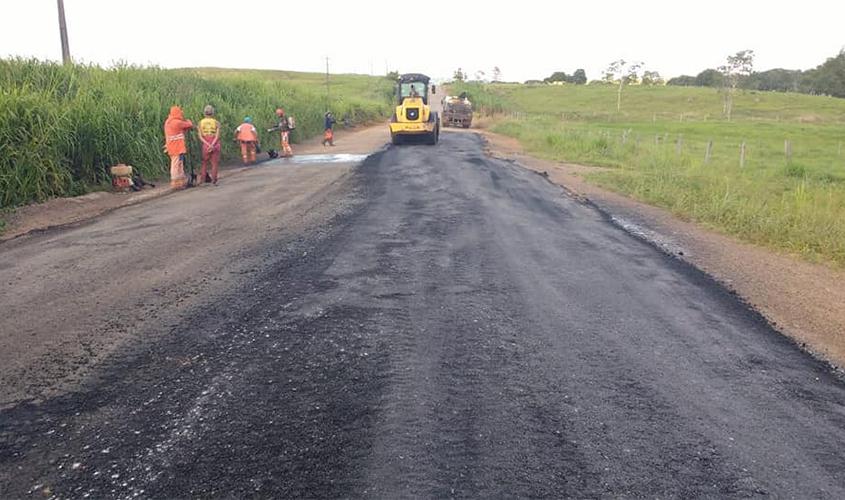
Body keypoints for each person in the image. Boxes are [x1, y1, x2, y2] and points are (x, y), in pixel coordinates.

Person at [163, 105, 194, 190]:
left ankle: (180, 182)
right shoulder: (177, 122)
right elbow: (189, 125)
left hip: (171, 145)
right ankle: (176, 182)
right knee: (177, 164)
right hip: (177, 146)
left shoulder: (168, 122)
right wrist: (188, 121)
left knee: (178, 163)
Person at [198, 105, 221, 184]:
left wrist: (207, 144)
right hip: (215, 143)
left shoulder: (200, 123)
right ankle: (214, 179)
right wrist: (212, 145)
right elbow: (217, 135)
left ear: (204, 113)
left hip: (205, 143)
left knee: (204, 162)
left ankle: (203, 180)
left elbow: (200, 136)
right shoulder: (216, 122)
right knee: (214, 163)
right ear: (212, 113)